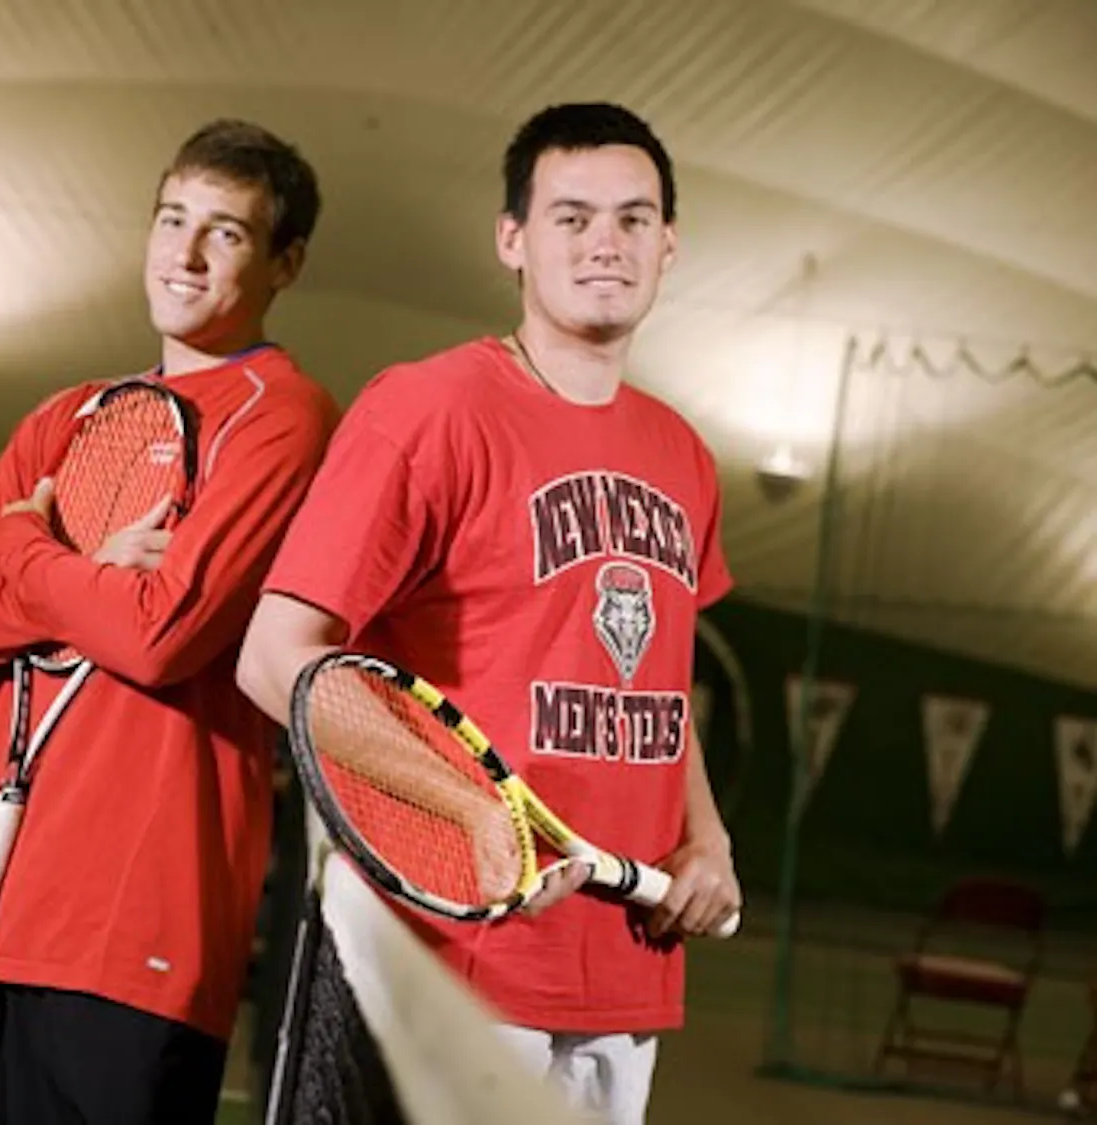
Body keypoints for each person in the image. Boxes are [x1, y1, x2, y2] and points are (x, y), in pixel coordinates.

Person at [235, 101, 740, 1125]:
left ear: (670, 245)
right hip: (443, 964)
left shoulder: (683, 453)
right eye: (572, 216)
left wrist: (709, 837)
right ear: (512, 239)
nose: (607, 242)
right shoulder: (429, 409)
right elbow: (276, 658)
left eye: (635, 219)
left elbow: (661, 683)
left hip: (622, 965)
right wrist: (473, 810)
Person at [0, 118, 339, 1125]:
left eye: (225, 233)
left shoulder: (283, 415)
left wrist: (21, 549)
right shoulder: (69, 416)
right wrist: (81, 576)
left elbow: (160, 635)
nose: (183, 255)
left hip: (137, 942)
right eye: (171, 219)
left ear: (287, 263)